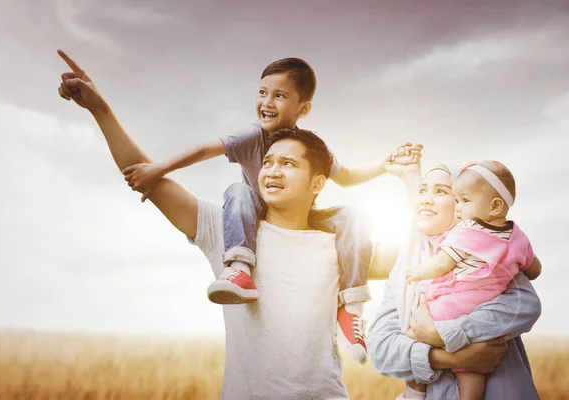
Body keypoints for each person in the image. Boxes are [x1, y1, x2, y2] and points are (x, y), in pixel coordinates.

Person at [55, 49, 416, 399]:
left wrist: (409, 178)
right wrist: (99, 108)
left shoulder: (341, 243)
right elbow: (146, 175)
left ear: (318, 183)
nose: (272, 170)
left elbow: (427, 255)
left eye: (288, 164)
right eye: (269, 161)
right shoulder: (228, 232)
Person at [367, 160, 542, 400]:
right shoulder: (407, 270)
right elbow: (381, 349)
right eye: (422, 191)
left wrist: (445, 333)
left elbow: (526, 307)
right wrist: (452, 357)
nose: (427, 198)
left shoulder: (490, 256)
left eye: (441, 191)